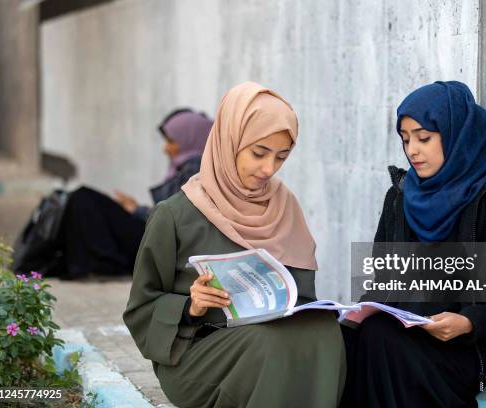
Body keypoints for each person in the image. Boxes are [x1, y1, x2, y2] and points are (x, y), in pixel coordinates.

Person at [123, 82, 346, 408]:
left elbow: (303, 298)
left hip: (270, 338)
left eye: (281, 157)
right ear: (230, 141)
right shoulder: (174, 214)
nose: (268, 169)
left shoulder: (285, 207)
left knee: (325, 332)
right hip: (197, 354)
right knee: (266, 342)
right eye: (259, 153)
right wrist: (191, 306)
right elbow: (141, 307)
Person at [340, 81, 486, 408]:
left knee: (383, 343)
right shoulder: (400, 196)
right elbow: (382, 278)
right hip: (403, 331)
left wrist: (468, 322)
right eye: (406, 139)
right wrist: (363, 309)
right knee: (349, 339)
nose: (412, 149)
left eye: (424, 138)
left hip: (463, 346)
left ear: (454, 135)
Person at [51, 108, 213, 279]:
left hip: (161, 244)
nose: (166, 148)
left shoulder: (196, 169)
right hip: (157, 236)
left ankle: (104, 264)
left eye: (171, 141)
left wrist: (136, 210)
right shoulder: (187, 166)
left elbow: (180, 219)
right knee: (84, 200)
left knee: (83, 199)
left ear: (190, 139)